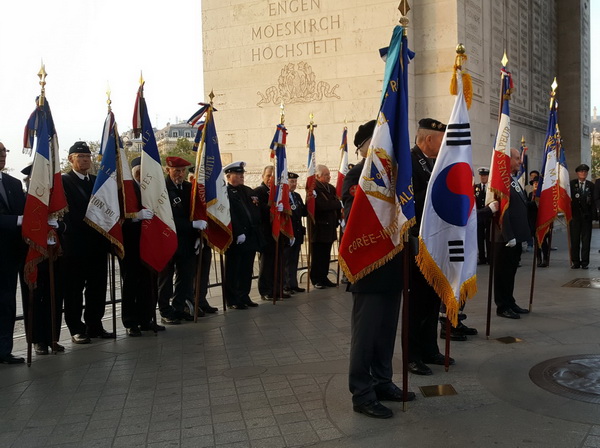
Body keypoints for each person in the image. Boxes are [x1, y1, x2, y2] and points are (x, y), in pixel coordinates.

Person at [343, 120, 415, 419]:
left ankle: (382, 381)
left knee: (386, 332)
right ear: (365, 148)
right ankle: (362, 392)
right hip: (369, 267)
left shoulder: (397, 176)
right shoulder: (357, 175)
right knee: (366, 336)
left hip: (393, 265)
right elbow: (355, 217)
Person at [407, 118, 450, 376]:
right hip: (417, 241)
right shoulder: (410, 161)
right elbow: (409, 201)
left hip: (435, 240)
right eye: (441, 139)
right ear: (429, 139)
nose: (444, 144)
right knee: (417, 302)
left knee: (433, 298)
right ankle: (412, 355)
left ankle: (429, 349)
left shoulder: (433, 163)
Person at [61, 141, 113, 343]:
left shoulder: (96, 181)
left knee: (97, 287)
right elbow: (68, 213)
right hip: (75, 245)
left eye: (88, 156)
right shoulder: (64, 182)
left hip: (97, 244)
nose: (85, 160)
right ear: (71, 159)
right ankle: (76, 328)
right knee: (74, 290)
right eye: (80, 156)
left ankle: (95, 325)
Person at [158, 156, 208, 324]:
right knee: (166, 278)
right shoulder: (161, 189)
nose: (180, 174)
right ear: (168, 170)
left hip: (187, 241)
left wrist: (199, 237)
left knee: (185, 276)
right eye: (176, 171)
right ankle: (165, 311)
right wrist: (191, 225)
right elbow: (166, 217)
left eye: (182, 171)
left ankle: (179, 308)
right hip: (168, 238)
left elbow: (196, 212)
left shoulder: (189, 188)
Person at [120, 157, 163, 336]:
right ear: (135, 172)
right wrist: (136, 216)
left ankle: (146, 318)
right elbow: (117, 217)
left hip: (149, 242)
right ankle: (131, 322)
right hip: (131, 243)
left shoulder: (153, 188)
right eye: (140, 171)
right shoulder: (126, 188)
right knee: (131, 282)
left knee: (148, 282)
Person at [494, 148, 533, 319]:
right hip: (506, 238)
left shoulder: (513, 180)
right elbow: (504, 211)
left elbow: (520, 205)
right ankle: (502, 306)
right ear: (507, 160)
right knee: (503, 273)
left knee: (511, 273)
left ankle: (510, 301)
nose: (520, 161)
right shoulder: (502, 182)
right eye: (517, 158)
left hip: (516, 236)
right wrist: (509, 235)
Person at [0, 142, 27, 363]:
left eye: (4, 151)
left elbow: (25, 211)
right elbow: (19, 217)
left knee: (7, 303)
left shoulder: (14, 183)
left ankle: (4, 350)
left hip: (9, 255)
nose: (2, 155)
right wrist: (17, 220)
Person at [224, 161, 262, 309]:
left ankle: (244, 295)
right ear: (229, 176)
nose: (241, 176)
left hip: (250, 235)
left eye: (242, 174)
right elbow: (230, 214)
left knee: (247, 268)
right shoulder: (225, 192)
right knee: (234, 269)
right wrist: (238, 232)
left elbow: (255, 209)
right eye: (238, 174)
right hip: (236, 237)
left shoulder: (247, 191)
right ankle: (232, 299)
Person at [253, 165, 289, 300]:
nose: (270, 179)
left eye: (273, 177)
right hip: (266, 233)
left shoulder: (279, 192)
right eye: (268, 176)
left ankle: (277, 289)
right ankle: (266, 290)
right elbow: (258, 211)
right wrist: (272, 208)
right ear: (263, 176)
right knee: (267, 263)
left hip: (279, 233)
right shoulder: (258, 191)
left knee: (279, 263)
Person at [310, 164, 341, 289]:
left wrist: (338, 217)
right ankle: (316, 279)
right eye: (326, 175)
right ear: (318, 176)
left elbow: (336, 203)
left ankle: (324, 277)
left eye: (329, 174)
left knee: (326, 255)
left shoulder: (331, 188)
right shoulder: (314, 189)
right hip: (319, 228)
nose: (329, 177)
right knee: (318, 255)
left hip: (330, 227)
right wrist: (336, 204)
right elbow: (321, 206)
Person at [283, 172, 306, 295]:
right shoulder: (283, 196)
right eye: (291, 181)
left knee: (294, 259)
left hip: (297, 232)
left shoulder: (296, 196)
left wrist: (310, 199)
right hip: (288, 232)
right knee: (286, 260)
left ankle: (293, 284)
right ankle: (286, 285)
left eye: (295, 182)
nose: (294, 184)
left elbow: (303, 212)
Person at [569, 164, 595, 269]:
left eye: (585, 171)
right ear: (577, 173)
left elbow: (593, 201)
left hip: (586, 217)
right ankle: (575, 262)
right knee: (574, 240)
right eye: (581, 171)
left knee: (586, 241)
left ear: (587, 173)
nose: (583, 173)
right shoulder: (571, 184)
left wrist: (593, 216)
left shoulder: (591, 185)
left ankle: (585, 262)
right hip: (574, 217)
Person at [527, 176, 550, 268]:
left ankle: (545, 258)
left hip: (542, 220)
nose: (536, 184)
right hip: (533, 221)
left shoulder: (543, 194)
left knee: (543, 240)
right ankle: (538, 258)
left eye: (537, 182)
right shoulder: (530, 195)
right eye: (534, 183)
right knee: (536, 241)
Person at [474, 167, 491, 264]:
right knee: (479, 237)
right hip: (479, 215)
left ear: (488, 176)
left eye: (485, 175)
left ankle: (490, 257)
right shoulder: (475, 187)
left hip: (488, 215)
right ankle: (481, 257)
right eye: (481, 176)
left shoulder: (491, 187)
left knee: (489, 237)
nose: (483, 177)